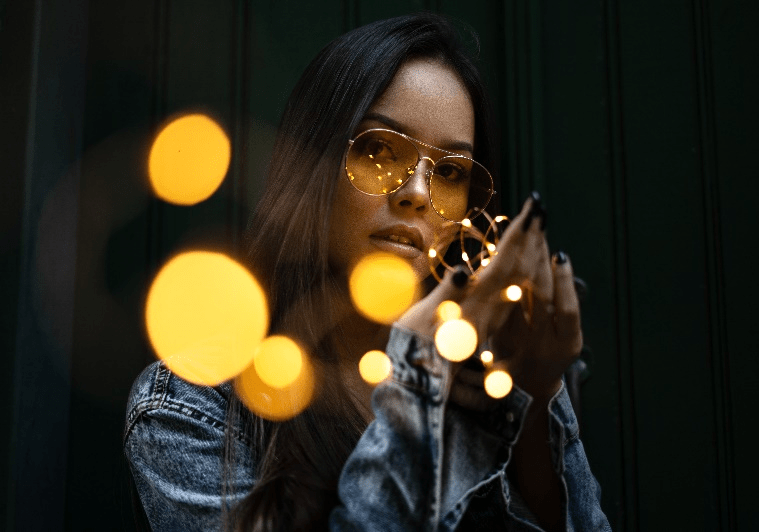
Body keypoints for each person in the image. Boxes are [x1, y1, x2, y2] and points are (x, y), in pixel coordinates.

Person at [124, 13, 611, 531]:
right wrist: (416, 386)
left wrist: (538, 400)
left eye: (449, 172)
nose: (418, 193)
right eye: (378, 149)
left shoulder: (490, 384)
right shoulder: (192, 405)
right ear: (311, 164)